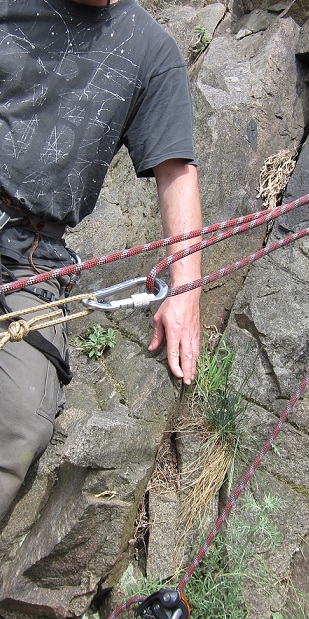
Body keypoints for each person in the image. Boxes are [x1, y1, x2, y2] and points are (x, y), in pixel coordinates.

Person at [0, 0, 202, 521]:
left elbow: (176, 170)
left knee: (19, 422)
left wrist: (186, 290)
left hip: (29, 256)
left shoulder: (150, 52)